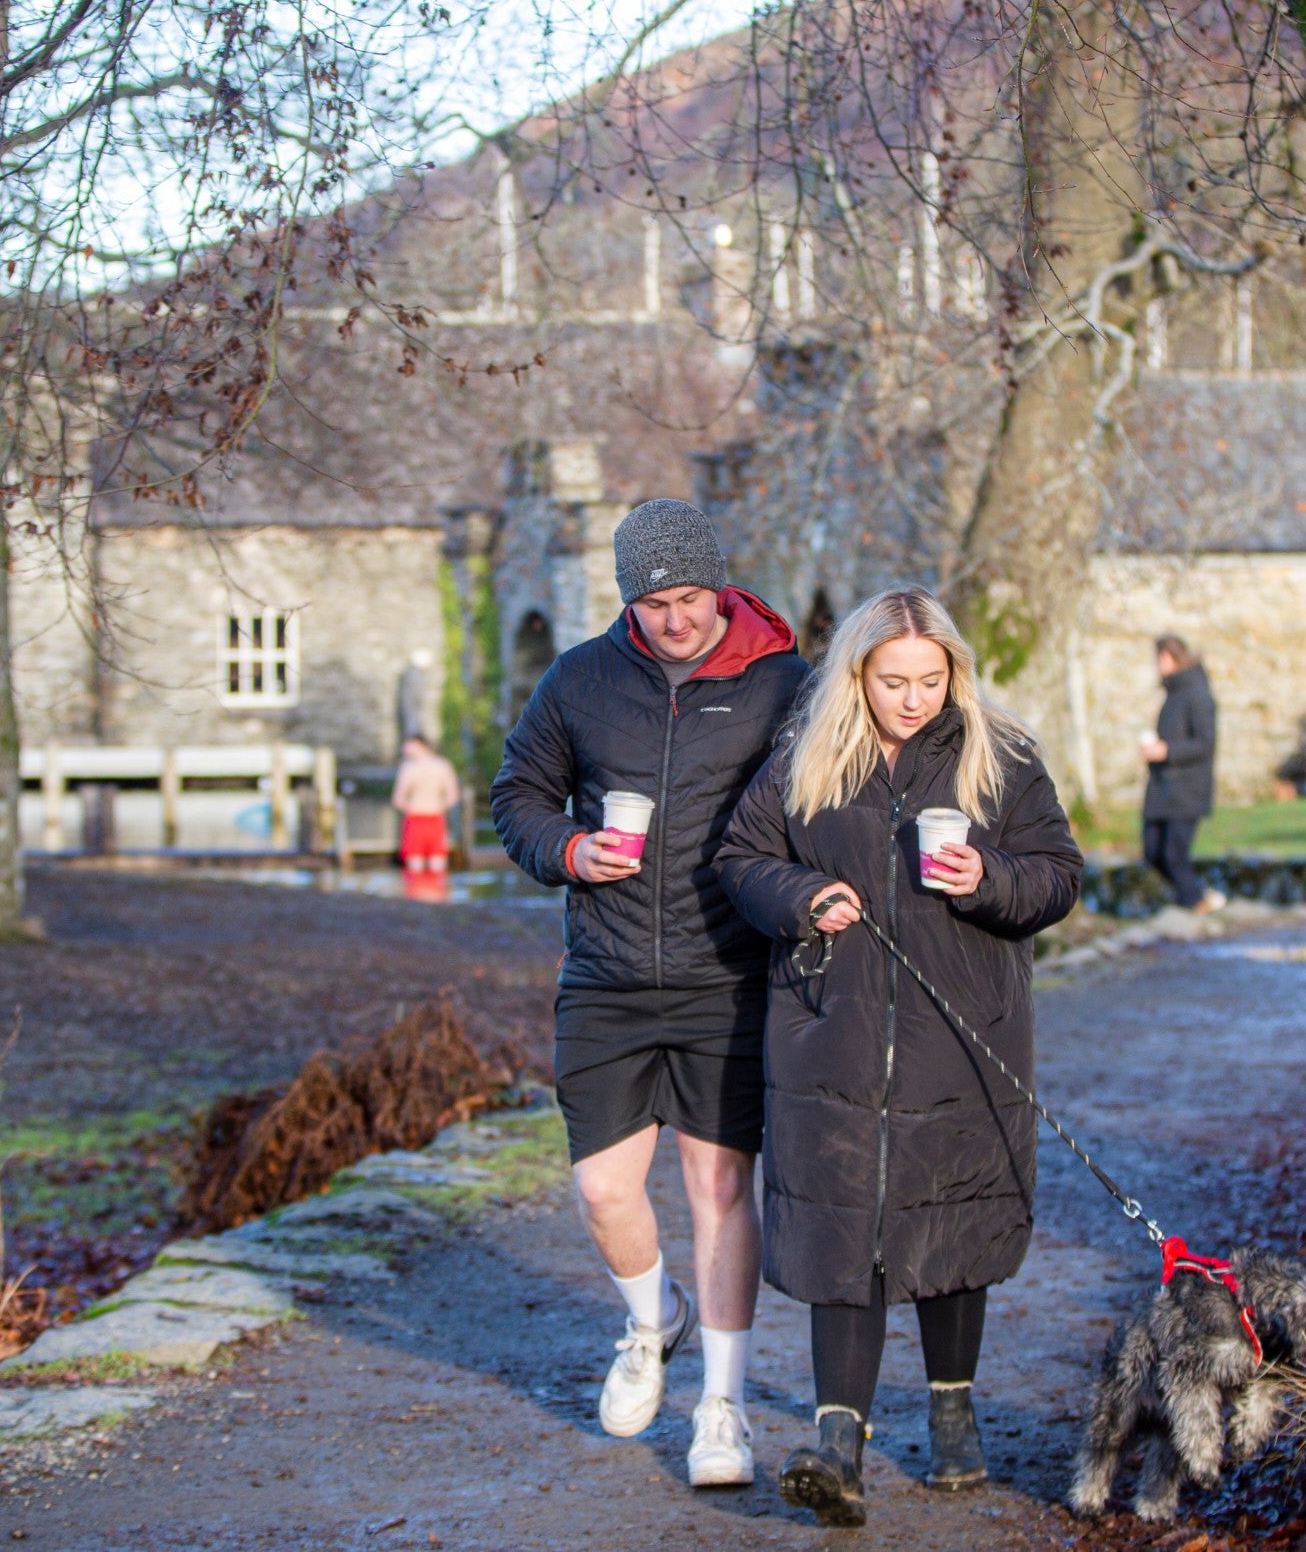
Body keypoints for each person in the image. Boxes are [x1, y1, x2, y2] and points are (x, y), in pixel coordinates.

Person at [714, 587, 1083, 1525]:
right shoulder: (808, 757)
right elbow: (740, 861)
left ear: (954, 673)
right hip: (829, 1031)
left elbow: (1058, 878)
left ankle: (953, 1418)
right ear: (857, 676)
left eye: (930, 679)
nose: (914, 699)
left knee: (949, 1219)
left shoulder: (999, 759)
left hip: (962, 1031)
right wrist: (799, 897)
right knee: (847, 1227)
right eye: (894, 681)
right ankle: (839, 1447)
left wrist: (988, 878)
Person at [490, 499, 808, 1489]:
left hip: (729, 976)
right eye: (654, 603)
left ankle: (723, 1409)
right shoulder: (582, 679)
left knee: (719, 1193)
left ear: (721, 584)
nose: (674, 621)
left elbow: (828, 801)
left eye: (689, 598)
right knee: (601, 1188)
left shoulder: (782, 685)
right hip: (608, 975)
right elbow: (516, 797)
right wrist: (568, 849)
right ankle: (649, 1323)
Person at [1138, 636, 1223, 913]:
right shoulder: (1173, 693)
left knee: (1175, 853)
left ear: (1170, 657)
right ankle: (1194, 897)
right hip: (1164, 788)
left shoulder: (1197, 694)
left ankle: (1194, 903)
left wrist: (1167, 751)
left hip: (1186, 789)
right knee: (1153, 851)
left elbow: (1205, 743)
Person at [390, 735, 461, 875]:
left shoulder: (409, 768)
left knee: (415, 865)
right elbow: (453, 797)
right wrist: (438, 806)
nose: (404, 749)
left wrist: (411, 806)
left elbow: (397, 800)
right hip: (435, 816)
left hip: (416, 818)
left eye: (408, 744)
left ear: (419, 744)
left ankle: (416, 895)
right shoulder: (443, 766)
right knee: (438, 864)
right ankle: (437, 895)